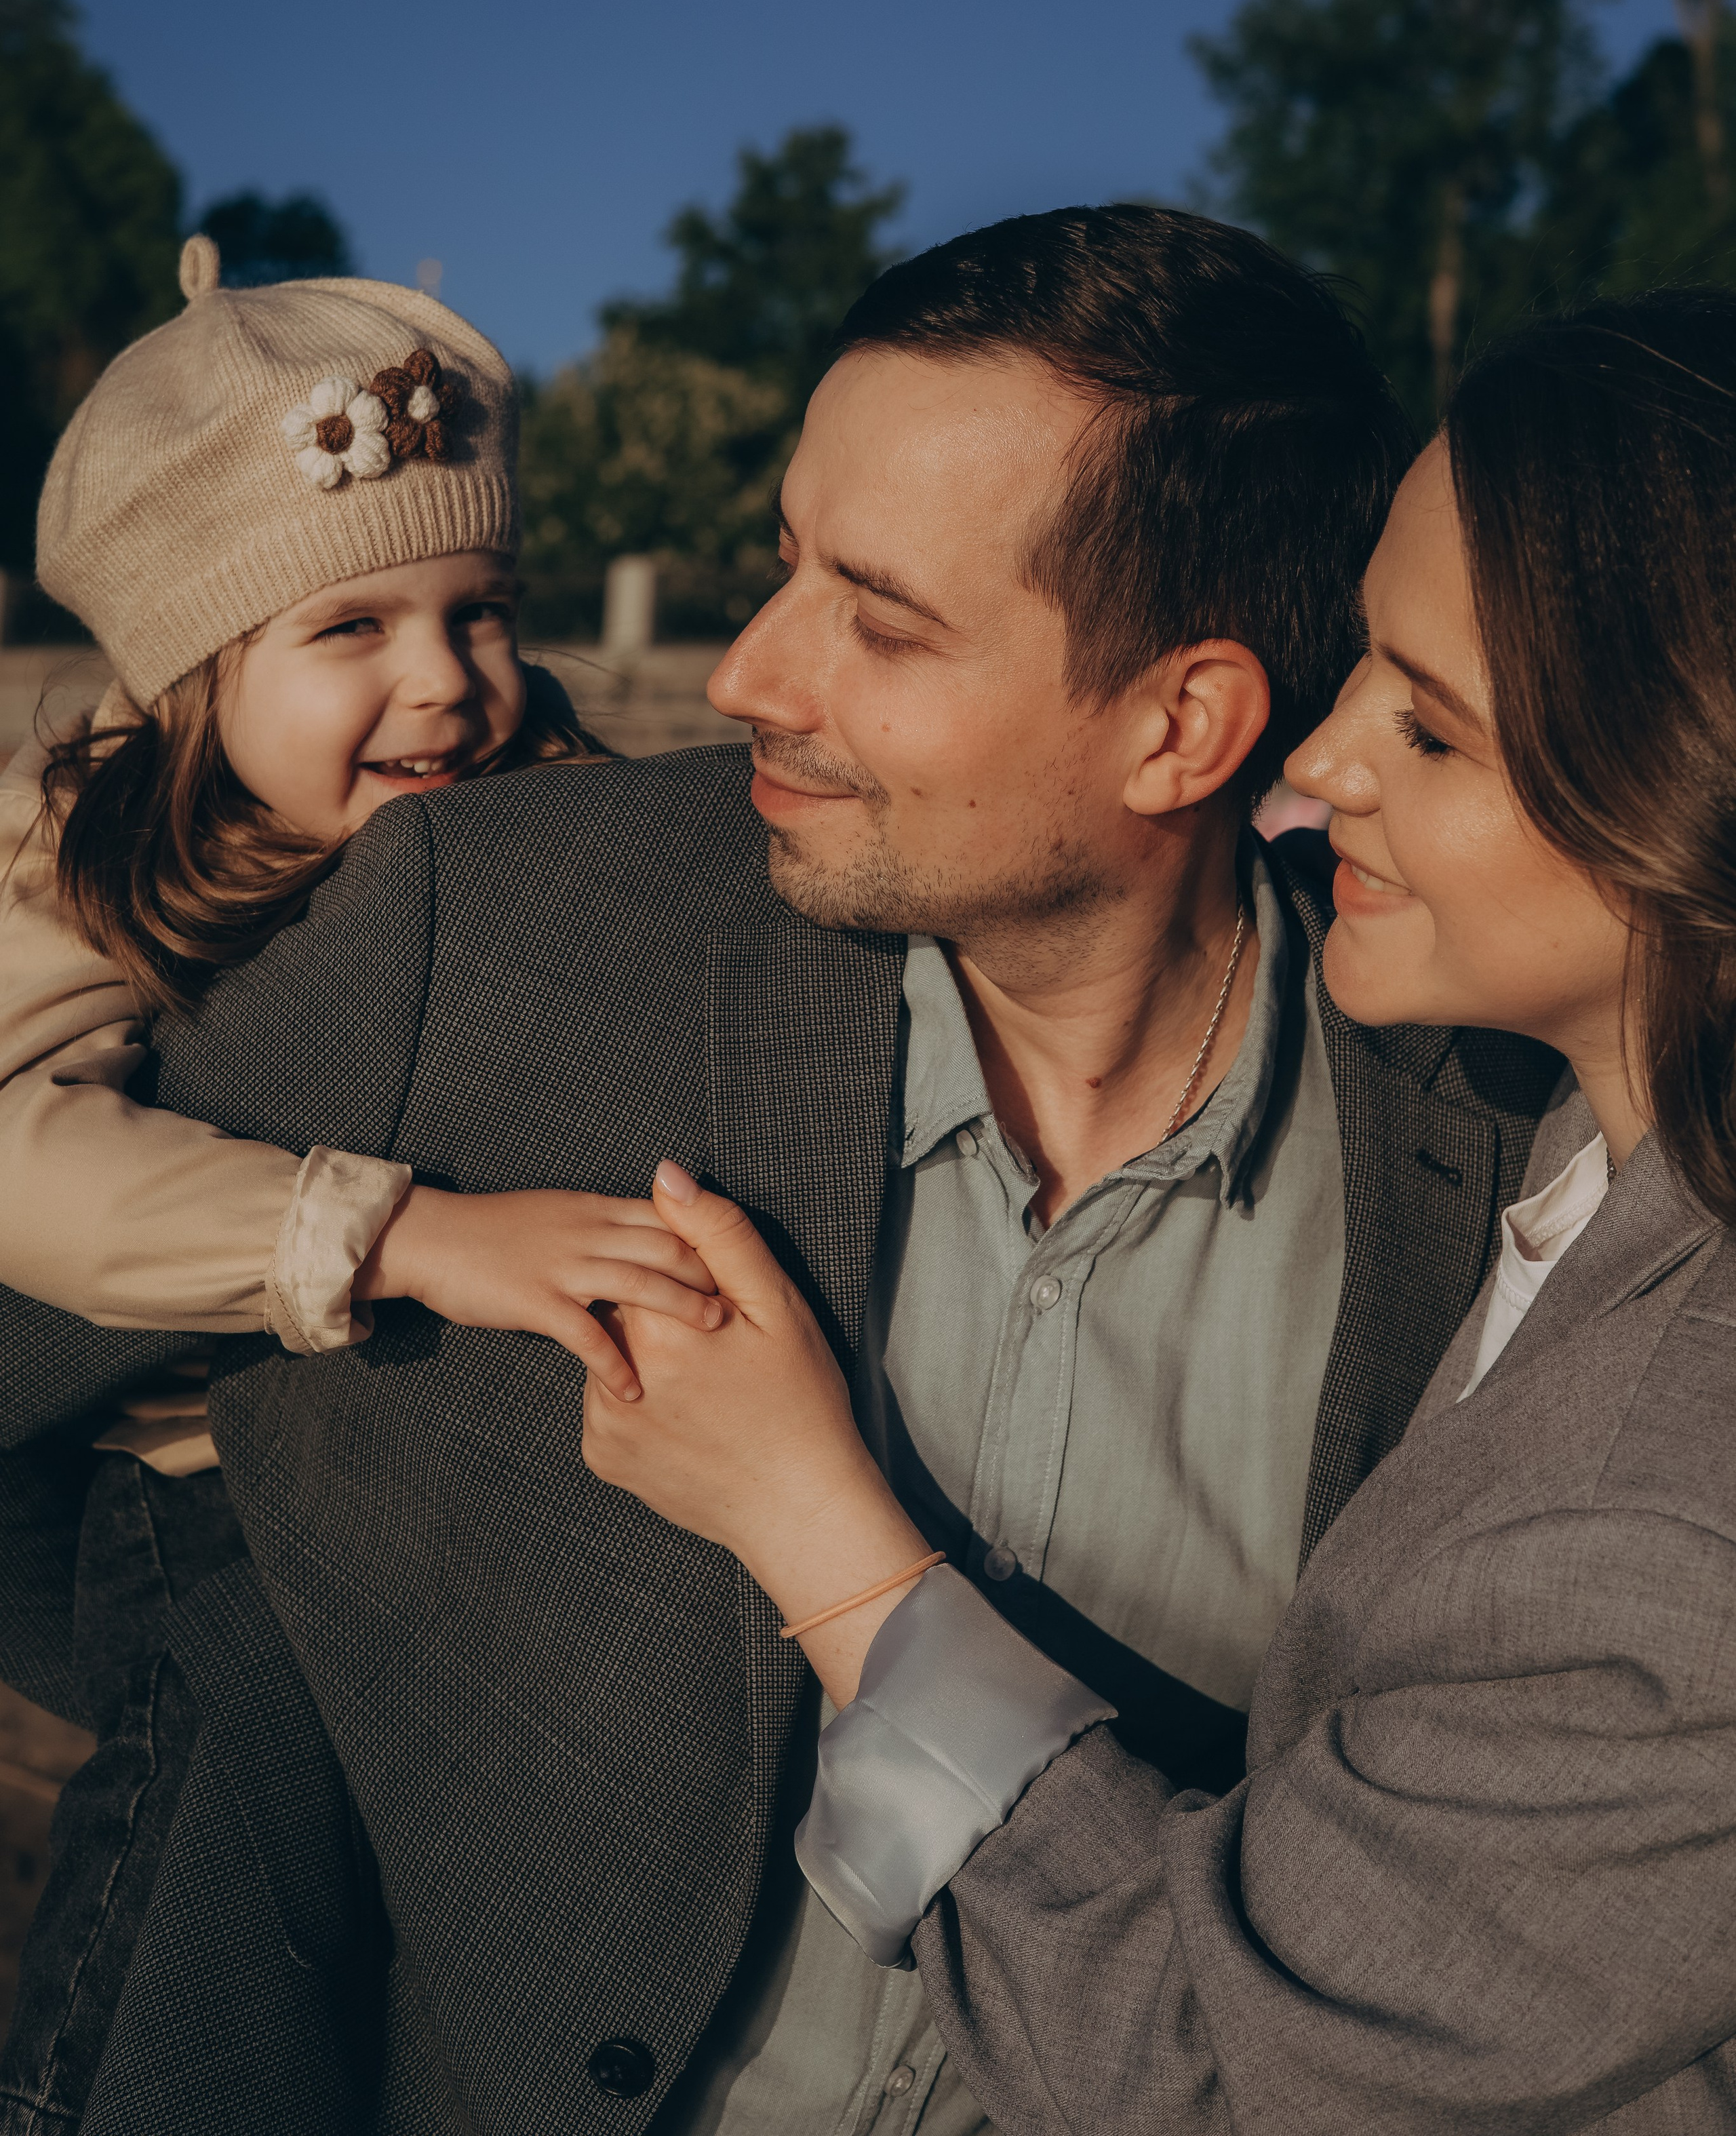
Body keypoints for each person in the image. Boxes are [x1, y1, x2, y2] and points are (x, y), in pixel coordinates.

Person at [9, 206, 1559, 2135]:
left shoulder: (1504, 1145)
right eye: (782, 569)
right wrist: (234, 1655)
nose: (748, 675)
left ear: (1184, 725)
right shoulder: (481, 918)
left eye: (880, 620)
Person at [587, 287, 1736, 2133]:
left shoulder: (1686, 1517)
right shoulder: (1587, 1150)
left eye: (1431, 735)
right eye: (1366, 661)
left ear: (1684, 807)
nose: (1326, 755)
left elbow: (1212, 2064)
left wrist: (826, 1538)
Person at [0, 238, 722, 2136]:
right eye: (351, 630)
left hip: (447, 1475)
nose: (449, 683)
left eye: (480, 612)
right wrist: (398, 1230)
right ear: (185, 677)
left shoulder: (542, 815)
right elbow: (19, 1159)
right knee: (224, 1781)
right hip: (187, 1491)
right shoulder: (79, 860)